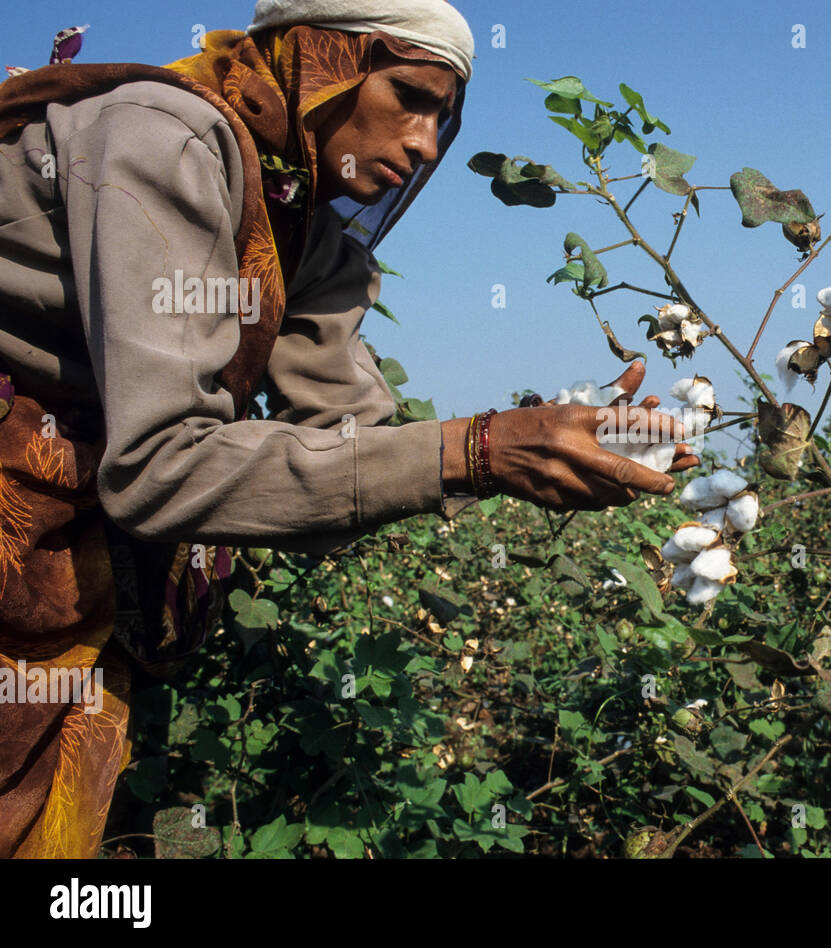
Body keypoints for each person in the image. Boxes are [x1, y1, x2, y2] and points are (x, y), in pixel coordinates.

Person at [0, 0, 697, 858]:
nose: (427, 143)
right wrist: (482, 450)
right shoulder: (166, 141)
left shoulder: (300, 225)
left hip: (61, 578)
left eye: (444, 115)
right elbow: (160, 468)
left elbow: (365, 443)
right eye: (408, 94)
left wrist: (556, 429)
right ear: (322, 59)